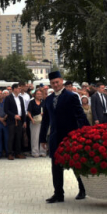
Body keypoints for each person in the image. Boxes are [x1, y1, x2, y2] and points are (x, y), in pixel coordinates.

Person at [39, 71, 88, 204]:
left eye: (57, 82)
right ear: (50, 84)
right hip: (55, 137)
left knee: (76, 164)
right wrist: (42, 138)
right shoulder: (48, 100)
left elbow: (80, 114)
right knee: (56, 166)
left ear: (62, 81)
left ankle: (83, 189)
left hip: (70, 136)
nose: (55, 85)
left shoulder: (71, 96)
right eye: (53, 83)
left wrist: (86, 131)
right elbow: (46, 120)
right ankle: (58, 193)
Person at [4, 83, 26, 160]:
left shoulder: (20, 98)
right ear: (14, 89)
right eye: (18, 88)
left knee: (19, 137)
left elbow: (23, 110)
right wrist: (14, 115)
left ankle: (18, 153)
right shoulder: (8, 98)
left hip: (19, 120)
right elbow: (6, 110)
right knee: (11, 137)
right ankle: (10, 153)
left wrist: (24, 121)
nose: (20, 89)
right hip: (11, 120)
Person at [27, 89, 45, 157]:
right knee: (35, 137)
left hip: (43, 121)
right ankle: (35, 152)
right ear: (35, 95)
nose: (39, 95)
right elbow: (28, 112)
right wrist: (31, 119)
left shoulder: (43, 102)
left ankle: (43, 151)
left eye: (40, 94)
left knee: (43, 136)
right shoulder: (31, 102)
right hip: (35, 121)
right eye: (38, 94)